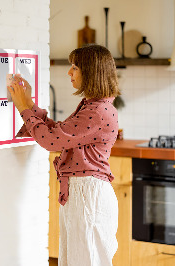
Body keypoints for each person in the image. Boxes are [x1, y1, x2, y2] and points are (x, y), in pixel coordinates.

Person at [8, 44, 120, 266]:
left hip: (88, 195)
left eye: (75, 67)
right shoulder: (93, 106)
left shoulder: (97, 111)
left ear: (91, 72)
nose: (69, 72)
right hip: (83, 193)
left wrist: (23, 108)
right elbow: (59, 133)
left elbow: (51, 141)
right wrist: (29, 104)